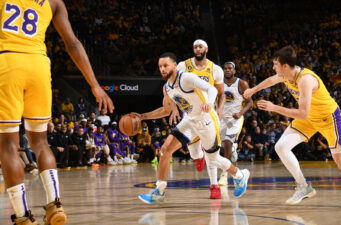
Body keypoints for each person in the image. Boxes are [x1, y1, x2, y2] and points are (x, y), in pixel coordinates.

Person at [0, 0, 114, 224]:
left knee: (7, 145)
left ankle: (23, 217)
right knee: (41, 142)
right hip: (39, 66)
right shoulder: (55, 2)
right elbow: (72, 43)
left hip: (7, 60)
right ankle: (55, 205)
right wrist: (94, 85)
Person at [243, 46, 341, 209]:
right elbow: (271, 80)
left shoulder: (306, 79)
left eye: (275, 64)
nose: (273, 67)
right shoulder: (285, 75)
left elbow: (302, 113)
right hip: (308, 119)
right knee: (281, 147)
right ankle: (303, 186)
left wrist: (274, 107)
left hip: (328, 119)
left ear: (285, 66)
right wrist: (253, 90)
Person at [137, 53, 250, 204]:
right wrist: (142, 116)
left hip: (207, 120)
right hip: (190, 120)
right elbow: (165, 110)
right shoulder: (167, 87)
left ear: (175, 65)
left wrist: (209, 103)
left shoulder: (186, 78)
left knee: (214, 159)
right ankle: (159, 191)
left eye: (166, 65)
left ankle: (239, 175)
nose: (162, 69)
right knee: (165, 150)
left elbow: (212, 90)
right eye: (160, 66)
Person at [173, 39, 226, 198]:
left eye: (200, 46)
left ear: (206, 49)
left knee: (212, 152)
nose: (197, 49)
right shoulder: (183, 66)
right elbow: (173, 87)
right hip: (189, 114)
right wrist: (174, 108)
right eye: (195, 46)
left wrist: (220, 109)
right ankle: (198, 156)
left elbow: (221, 93)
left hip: (207, 114)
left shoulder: (215, 69)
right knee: (194, 152)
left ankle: (214, 186)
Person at [218, 62, 252, 186]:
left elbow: (250, 102)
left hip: (235, 119)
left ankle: (224, 175)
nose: (227, 70)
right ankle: (233, 148)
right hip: (221, 118)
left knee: (227, 143)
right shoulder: (219, 84)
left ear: (234, 71)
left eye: (229, 68)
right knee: (220, 147)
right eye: (225, 68)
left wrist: (240, 113)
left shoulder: (241, 83)